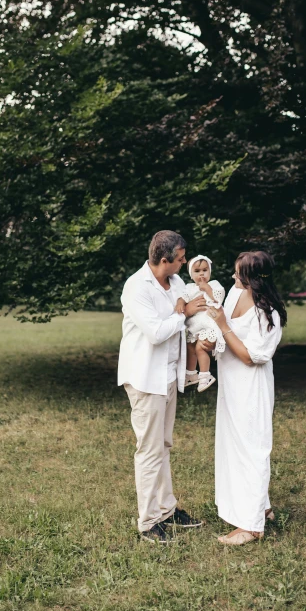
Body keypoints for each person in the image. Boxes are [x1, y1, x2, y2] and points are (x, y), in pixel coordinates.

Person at [118, 230, 208, 545]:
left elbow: (189, 302)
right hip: (145, 377)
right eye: (181, 259)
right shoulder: (136, 287)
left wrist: (184, 310)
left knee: (164, 446)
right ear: (164, 260)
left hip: (168, 376)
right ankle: (148, 523)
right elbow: (156, 333)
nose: (185, 264)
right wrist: (182, 313)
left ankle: (168, 510)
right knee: (149, 450)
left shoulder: (176, 283)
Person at [207, 250, 287, 545]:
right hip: (232, 386)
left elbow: (251, 357)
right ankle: (261, 507)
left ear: (252, 278)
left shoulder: (269, 315)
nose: (232, 275)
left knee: (252, 447)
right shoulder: (234, 294)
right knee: (236, 446)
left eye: (238, 272)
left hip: (251, 387)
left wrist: (224, 325)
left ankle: (251, 526)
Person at [174, 255, 226, 392]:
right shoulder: (189, 287)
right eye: (197, 271)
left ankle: (205, 376)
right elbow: (183, 297)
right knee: (190, 347)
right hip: (195, 325)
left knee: (200, 348)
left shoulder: (214, 284)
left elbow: (219, 297)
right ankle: (191, 374)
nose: (202, 273)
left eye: (205, 270)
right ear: (191, 274)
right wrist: (180, 303)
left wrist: (207, 288)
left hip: (209, 323)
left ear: (210, 271)